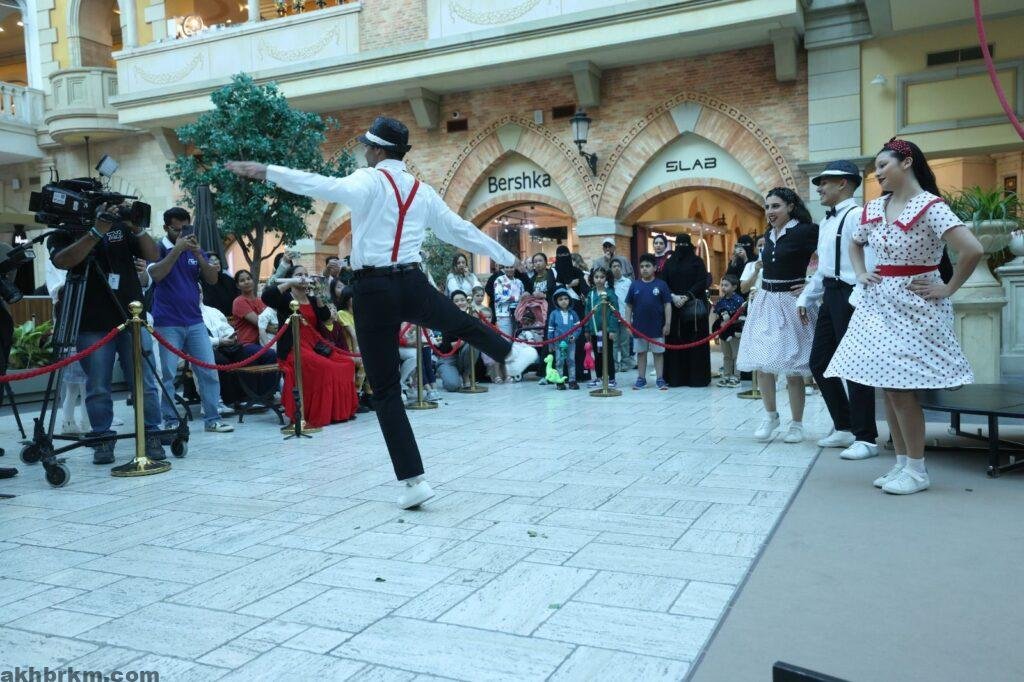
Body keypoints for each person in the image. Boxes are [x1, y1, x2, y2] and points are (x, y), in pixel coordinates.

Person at [226, 115, 537, 510]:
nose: (365, 153)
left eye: (367, 147)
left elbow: (321, 185)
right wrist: (506, 256)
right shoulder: (421, 190)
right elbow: (460, 231)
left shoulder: (368, 180)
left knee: (387, 389)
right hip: (412, 282)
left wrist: (268, 171)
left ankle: (414, 481)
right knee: (457, 320)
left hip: (373, 289)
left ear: (376, 150)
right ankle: (510, 352)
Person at [826, 138, 982, 495]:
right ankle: (902, 464)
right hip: (879, 304)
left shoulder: (930, 207)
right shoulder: (876, 207)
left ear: (907, 162)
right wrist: (861, 272)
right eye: (876, 168)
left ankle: (916, 469)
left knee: (901, 388)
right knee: (888, 385)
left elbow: (972, 249)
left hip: (915, 304)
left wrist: (948, 287)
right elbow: (855, 242)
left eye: (883, 165)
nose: (877, 173)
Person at [48, 204, 166, 463]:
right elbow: (63, 260)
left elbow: (153, 254)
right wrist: (96, 231)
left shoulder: (121, 228)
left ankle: (151, 433)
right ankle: (102, 437)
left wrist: (137, 227)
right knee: (98, 384)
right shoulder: (66, 230)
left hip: (131, 315)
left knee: (144, 382)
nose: (109, 207)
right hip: (91, 321)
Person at [797, 160, 879, 460]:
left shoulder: (858, 216)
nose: (819, 188)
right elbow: (824, 268)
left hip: (852, 295)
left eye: (825, 182)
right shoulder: (827, 221)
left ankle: (866, 437)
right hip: (831, 295)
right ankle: (844, 425)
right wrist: (806, 298)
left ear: (843, 183)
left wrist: (857, 298)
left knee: (856, 365)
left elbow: (870, 263)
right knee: (819, 362)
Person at [736, 188, 819, 444]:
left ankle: (797, 424)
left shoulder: (806, 231)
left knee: (793, 368)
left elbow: (831, 259)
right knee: (762, 363)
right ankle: (771, 416)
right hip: (765, 301)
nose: (770, 211)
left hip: (792, 303)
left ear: (790, 206)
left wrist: (811, 284)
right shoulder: (768, 235)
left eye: (776, 206)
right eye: (767, 207)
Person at [148, 208, 234, 435]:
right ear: (166, 227)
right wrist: (177, 249)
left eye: (186, 229)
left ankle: (212, 418)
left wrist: (198, 254)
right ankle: (170, 420)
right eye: (177, 229)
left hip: (195, 320)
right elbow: (156, 275)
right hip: (167, 322)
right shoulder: (157, 248)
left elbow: (212, 279)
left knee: (208, 371)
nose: (183, 234)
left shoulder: (194, 249)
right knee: (168, 374)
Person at [261, 264, 359, 427]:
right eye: (299, 274)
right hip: (295, 348)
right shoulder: (285, 298)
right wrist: (290, 282)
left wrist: (318, 292)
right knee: (326, 368)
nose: (304, 277)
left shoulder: (312, 299)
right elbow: (267, 297)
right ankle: (316, 413)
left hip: (316, 346)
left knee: (347, 363)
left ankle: (338, 412)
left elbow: (325, 316)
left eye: (306, 274)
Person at [661, 233, 711, 388]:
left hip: (694, 311)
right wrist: (673, 296)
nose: (681, 248)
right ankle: (676, 378)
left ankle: (697, 378)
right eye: (679, 245)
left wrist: (686, 296)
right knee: (676, 341)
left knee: (695, 343)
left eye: (683, 245)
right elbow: (663, 282)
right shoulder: (670, 263)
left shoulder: (697, 262)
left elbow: (702, 281)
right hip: (675, 309)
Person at [626, 253, 672, 390]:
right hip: (639, 327)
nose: (644, 269)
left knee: (658, 353)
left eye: (647, 266)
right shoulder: (635, 285)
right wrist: (628, 324)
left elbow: (667, 305)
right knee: (641, 353)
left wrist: (667, 323)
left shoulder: (661, 285)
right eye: (642, 266)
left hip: (657, 327)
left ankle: (660, 379)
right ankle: (641, 379)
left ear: (655, 268)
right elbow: (629, 305)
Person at [583, 266, 620, 388]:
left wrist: (612, 330)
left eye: (602, 277)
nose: (599, 279)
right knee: (598, 355)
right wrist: (587, 328)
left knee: (607, 355)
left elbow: (615, 313)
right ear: (592, 278)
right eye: (596, 277)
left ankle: (612, 378)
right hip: (595, 331)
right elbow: (587, 312)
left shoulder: (610, 293)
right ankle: (599, 377)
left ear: (606, 278)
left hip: (606, 331)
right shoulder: (591, 294)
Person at [435, 290, 474, 391]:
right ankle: (446, 372)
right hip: (448, 357)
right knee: (452, 385)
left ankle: (466, 374)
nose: (460, 303)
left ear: (467, 302)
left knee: (473, 345)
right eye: (456, 301)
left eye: (462, 300)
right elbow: (445, 346)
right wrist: (465, 340)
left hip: (465, 357)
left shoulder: (472, 317)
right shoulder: (446, 319)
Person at [713, 274, 745, 387]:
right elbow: (717, 317)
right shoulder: (720, 301)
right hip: (724, 332)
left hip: (735, 333)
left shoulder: (739, 300)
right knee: (726, 355)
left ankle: (736, 377)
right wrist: (717, 332)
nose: (723, 287)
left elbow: (742, 317)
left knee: (736, 355)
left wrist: (732, 323)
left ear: (734, 287)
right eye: (722, 285)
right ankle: (726, 375)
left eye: (726, 285)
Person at [547, 288, 581, 390]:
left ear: (569, 300)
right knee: (559, 361)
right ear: (556, 301)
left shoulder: (573, 313)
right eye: (560, 299)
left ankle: (572, 381)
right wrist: (551, 343)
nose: (564, 301)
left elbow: (578, 327)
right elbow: (550, 329)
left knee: (571, 360)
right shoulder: (554, 314)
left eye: (566, 299)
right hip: (558, 343)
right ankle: (560, 381)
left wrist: (574, 336)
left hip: (570, 342)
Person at [231, 270, 267, 346]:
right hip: (247, 344)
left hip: (264, 342)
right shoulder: (239, 302)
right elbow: (260, 323)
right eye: (242, 280)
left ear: (253, 281)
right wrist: (276, 329)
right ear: (238, 286)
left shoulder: (261, 301)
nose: (246, 282)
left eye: (248, 279)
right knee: (272, 352)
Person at [610, 259, 633, 372]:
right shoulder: (608, 283)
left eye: (618, 266)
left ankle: (625, 363)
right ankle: (614, 364)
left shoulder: (628, 282)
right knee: (614, 343)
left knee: (625, 342)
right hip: (612, 317)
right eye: (614, 266)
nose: (616, 268)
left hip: (625, 316)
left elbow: (632, 300)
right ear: (610, 269)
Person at [200, 254, 239, 319]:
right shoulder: (202, 281)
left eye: (216, 260)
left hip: (233, 317)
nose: (215, 263)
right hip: (213, 319)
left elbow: (237, 297)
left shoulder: (228, 279)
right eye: (211, 260)